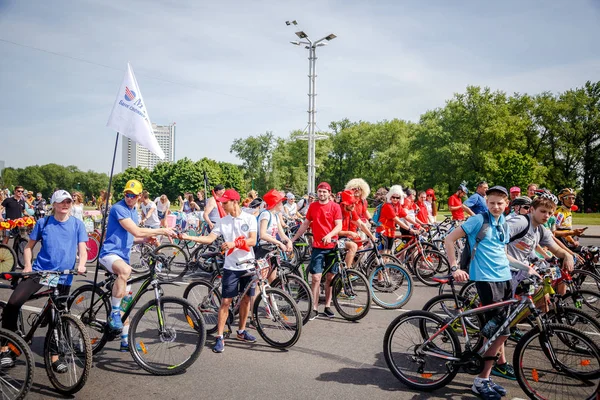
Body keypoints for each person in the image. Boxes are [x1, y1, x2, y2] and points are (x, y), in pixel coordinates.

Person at [445, 186, 535, 399]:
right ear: (487, 202)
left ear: (506, 206)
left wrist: (526, 268)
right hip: (486, 280)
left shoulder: (503, 223)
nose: (496, 206)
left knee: (500, 332)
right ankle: (481, 380)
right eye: (492, 202)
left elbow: (504, 255)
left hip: (504, 279)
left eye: (500, 203)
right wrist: (454, 267)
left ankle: (486, 377)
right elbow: (449, 239)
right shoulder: (478, 220)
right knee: (499, 332)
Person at [1, 190, 87, 371]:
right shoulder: (44, 222)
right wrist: (27, 266)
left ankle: (55, 357)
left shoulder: (77, 225)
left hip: (64, 275)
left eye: (68, 202)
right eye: (61, 201)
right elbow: (28, 247)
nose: (65, 204)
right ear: (54, 204)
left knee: (57, 317)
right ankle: (6, 347)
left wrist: (82, 264)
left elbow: (83, 249)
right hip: (42, 271)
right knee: (14, 302)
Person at [98, 180, 175, 351]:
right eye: (127, 194)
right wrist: (161, 230)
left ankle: (125, 342)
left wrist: (145, 239)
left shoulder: (134, 212)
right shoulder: (119, 208)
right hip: (109, 254)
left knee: (127, 301)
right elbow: (136, 230)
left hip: (123, 256)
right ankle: (114, 314)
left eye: (133, 195)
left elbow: (133, 236)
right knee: (125, 271)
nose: (129, 198)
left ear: (140, 196)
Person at [180, 189, 257, 353]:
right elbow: (209, 238)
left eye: (225, 202)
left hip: (248, 265)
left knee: (245, 300)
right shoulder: (223, 221)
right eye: (221, 202)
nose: (221, 204)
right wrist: (189, 237)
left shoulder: (250, 218)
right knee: (225, 303)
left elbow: (252, 240)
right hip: (231, 267)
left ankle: (241, 331)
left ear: (234, 202)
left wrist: (234, 244)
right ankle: (220, 336)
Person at [291, 182, 342, 320]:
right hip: (318, 247)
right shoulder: (313, 206)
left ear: (329, 193)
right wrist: (293, 239)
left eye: (324, 192)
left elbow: (339, 226)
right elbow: (305, 224)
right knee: (315, 278)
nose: (322, 194)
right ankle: (314, 308)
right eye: (320, 191)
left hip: (331, 246)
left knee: (330, 278)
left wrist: (330, 235)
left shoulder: (335, 207)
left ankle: (327, 306)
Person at [376, 185, 420, 254]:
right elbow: (397, 220)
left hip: (391, 232)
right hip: (383, 231)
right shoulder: (387, 206)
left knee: (389, 252)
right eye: (393, 197)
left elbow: (406, 216)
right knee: (384, 252)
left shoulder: (398, 205)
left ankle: (385, 263)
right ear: (390, 196)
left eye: (397, 197)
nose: (395, 199)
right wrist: (410, 229)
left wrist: (416, 224)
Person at [338, 190, 377, 267]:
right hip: (336, 240)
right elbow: (334, 231)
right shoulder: (338, 211)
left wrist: (372, 237)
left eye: (354, 203)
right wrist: (349, 233)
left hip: (346, 237)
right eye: (351, 203)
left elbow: (361, 224)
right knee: (353, 246)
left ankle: (352, 266)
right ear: (345, 204)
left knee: (361, 250)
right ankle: (347, 273)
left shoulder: (351, 211)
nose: (353, 205)